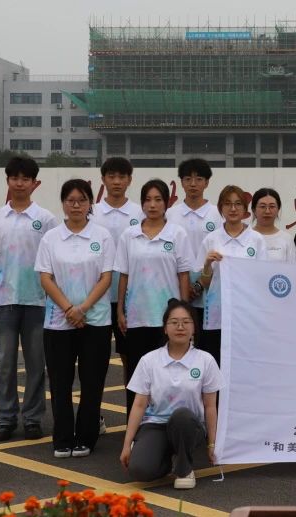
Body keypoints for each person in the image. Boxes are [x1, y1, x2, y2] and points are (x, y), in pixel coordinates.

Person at [0, 157, 59, 441]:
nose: (20, 183)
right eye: (15, 178)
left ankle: (33, 419)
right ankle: (5, 418)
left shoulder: (46, 219)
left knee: (36, 364)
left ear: (35, 183)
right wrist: (4, 279)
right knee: (5, 363)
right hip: (4, 301)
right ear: (8, 181)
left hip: (38, 301)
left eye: (26, 179)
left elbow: (52, 260)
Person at [35, 179, 114, 458]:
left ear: (90, 203)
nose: (76, 205)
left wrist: (83, 309)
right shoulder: (51, 238)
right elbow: (46, 277)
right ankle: (63, 437)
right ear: (63, 204)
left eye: (82, 200)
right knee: (60, 382)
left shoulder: (102, 236)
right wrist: (70, 309)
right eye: (70, 200)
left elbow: (106, 277)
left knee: (92, 382)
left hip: (96, 320)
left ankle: (87, 436)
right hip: (59, 322)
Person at [120, 299, 223, 490]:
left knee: (181, 416)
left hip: (189, 426)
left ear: (194, 328)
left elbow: (210, 406)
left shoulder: (205, 360)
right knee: (140, 471)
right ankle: (164, 458)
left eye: (186, 322)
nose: (180, 327)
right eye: (174, 322)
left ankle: (184, 469)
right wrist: (127, 444)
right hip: (156, 424)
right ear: (165, 328)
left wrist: (212, 444)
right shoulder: (149, 360)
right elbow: (139, 405)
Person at [115, 179, 195, 412]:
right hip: (137, 317)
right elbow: (124, 275)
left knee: (169, 377)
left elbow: (183, 275)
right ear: (141, 203)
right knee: (137, 377)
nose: (152, 205)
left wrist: (185, 314)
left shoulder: (177, 234)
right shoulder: (129, 235)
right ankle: (136, 426)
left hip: (168, 319)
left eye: (158, 199)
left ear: (166, 203)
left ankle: (167, 425)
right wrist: (120, 310)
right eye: (148, 200)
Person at [92, 157, 142, 434]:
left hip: (130, 300)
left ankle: (133, 417)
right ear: (103, 180)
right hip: (96, 299)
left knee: (129, 360)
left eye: (122, 177)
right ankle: (94, 416)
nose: (117, 181)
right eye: (111, 176)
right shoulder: (92, 212)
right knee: (95, 361)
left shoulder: (139, 212)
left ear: (129, 180)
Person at [198, 185, 267, 366]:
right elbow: (204, 283)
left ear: (245, 209)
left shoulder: (257, 240)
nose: (233, 208)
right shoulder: (211, 239)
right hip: (217, 316)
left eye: (238, 204)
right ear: (221, 208)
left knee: (245, 365)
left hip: (247, 315)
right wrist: (207, 264)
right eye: (227, 204)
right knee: (215, 364)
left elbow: (262, 280)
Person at [165, 159, 222, 347]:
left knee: (207, 347)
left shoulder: (217, 215)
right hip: (177, 289)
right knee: (179, 345)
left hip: (209, 292)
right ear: (181, 182)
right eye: (188, 179)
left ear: (207, 182)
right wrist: (184, 286)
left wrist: (198, 286)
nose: (193, 184)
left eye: (199, 179)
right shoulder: (170, 215)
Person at [251, 188, 296, 263]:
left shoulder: (286, 239)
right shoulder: (246, 237)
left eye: (272, 206)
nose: (267, 211)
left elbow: (294, 268)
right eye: (262, 206)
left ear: (278, 209)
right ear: (254, 210)